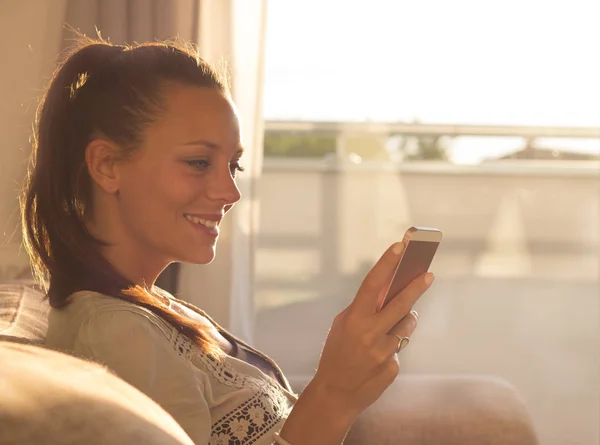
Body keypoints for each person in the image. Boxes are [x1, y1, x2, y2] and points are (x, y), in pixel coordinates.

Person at [21, 37, 434, 445]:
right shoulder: (116, 334)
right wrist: (334, 394)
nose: (230, 192)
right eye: (199, 162)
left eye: (233, 165)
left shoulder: (148, 307)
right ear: (107, 165)